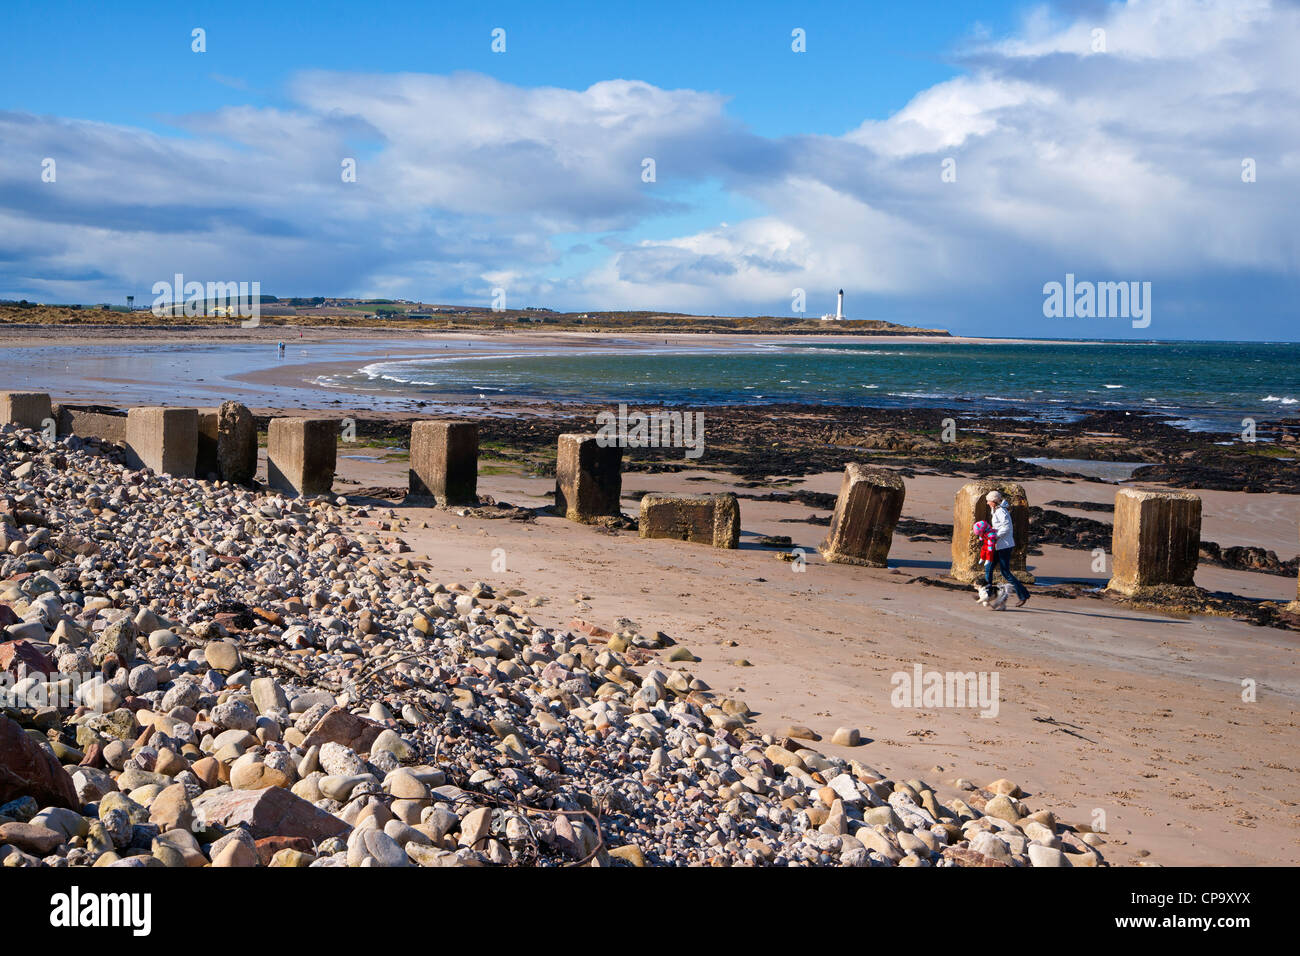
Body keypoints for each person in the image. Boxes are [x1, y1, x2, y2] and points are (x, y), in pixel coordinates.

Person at [984, 491, 1030, 606]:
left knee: (1005, 572)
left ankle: (1023, 595)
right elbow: (998, 526)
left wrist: (995, 535)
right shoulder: (995, 509)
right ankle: (988, 593)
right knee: (988, 567)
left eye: (989, 500)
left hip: (1004, 546)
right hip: (998, 545)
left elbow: (1007, 527)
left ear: (994, 501)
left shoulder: (1001, 511)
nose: (987, 503)